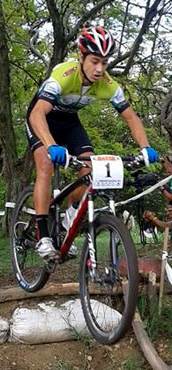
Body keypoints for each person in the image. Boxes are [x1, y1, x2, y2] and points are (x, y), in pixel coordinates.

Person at [26, 26, 159, 261]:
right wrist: (50, 145)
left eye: (104, 62)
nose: (99, 69)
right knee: (45, 164)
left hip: (69, 121)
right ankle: (43, 234)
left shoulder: (107, 84)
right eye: (95, 61)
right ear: (81, 57)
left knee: (89, 168)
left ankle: (67, 223)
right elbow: (37, 114)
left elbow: (131, 117)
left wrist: (145, 147)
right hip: (42, 118)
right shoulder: (63, 76)